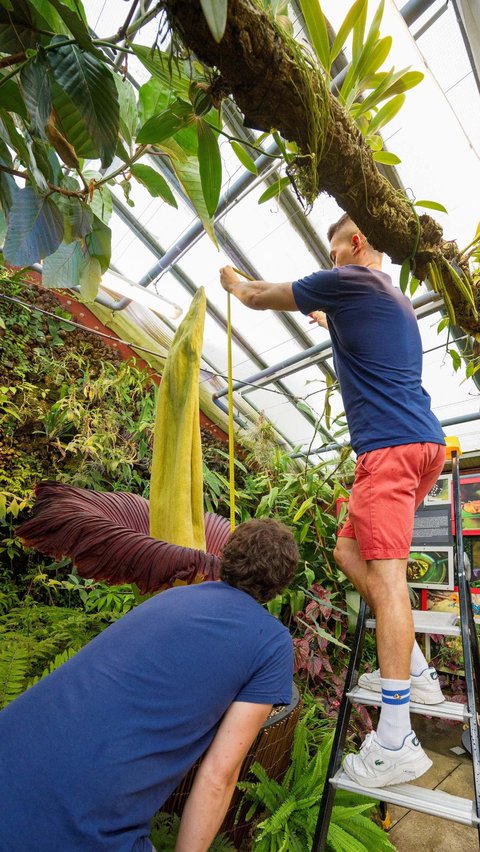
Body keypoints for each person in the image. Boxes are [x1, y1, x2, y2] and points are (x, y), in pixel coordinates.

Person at [220, 213, 446, 788]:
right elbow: (343, 324)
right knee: (349, 552)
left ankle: (395, 737)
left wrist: (231, 280)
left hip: (388, 452)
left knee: (388, 580)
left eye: (335, 250)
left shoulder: (347, 280)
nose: (332, 261)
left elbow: (255, 295)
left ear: (357, 243)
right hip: (419, 446)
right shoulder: (389, 299)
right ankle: (416, 670)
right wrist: (324, 317)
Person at [0, 518, 297, 851]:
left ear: (226, 557)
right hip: (81, 815)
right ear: (280, 583)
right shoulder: (272, 644)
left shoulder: (170, 600)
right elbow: (219, 776)